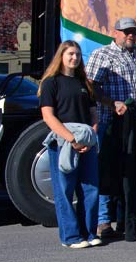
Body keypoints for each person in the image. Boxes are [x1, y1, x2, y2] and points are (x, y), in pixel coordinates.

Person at [86, 17, 136, 238]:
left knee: (129, 174)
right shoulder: (102, 55)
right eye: (126, 32)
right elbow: (90, 87)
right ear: (115, 33)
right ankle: (103, 221)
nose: (130, 35)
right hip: (110, 123)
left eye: (134, 31)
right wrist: (111, 103)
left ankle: (125, 219)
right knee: (106, 172)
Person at [39, 41, 102, 248]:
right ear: (61, 56)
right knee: (64, 191)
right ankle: (71, 237)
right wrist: (72, 139)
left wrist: (90, 135)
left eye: (77, 54)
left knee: (90, 189)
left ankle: (89, 233)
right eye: (70, 54)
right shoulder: (51, 82)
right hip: (63, 142)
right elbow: (48, 116)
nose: (74, 58)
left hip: (87, 142)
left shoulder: (84, 83)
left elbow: (93, 114)